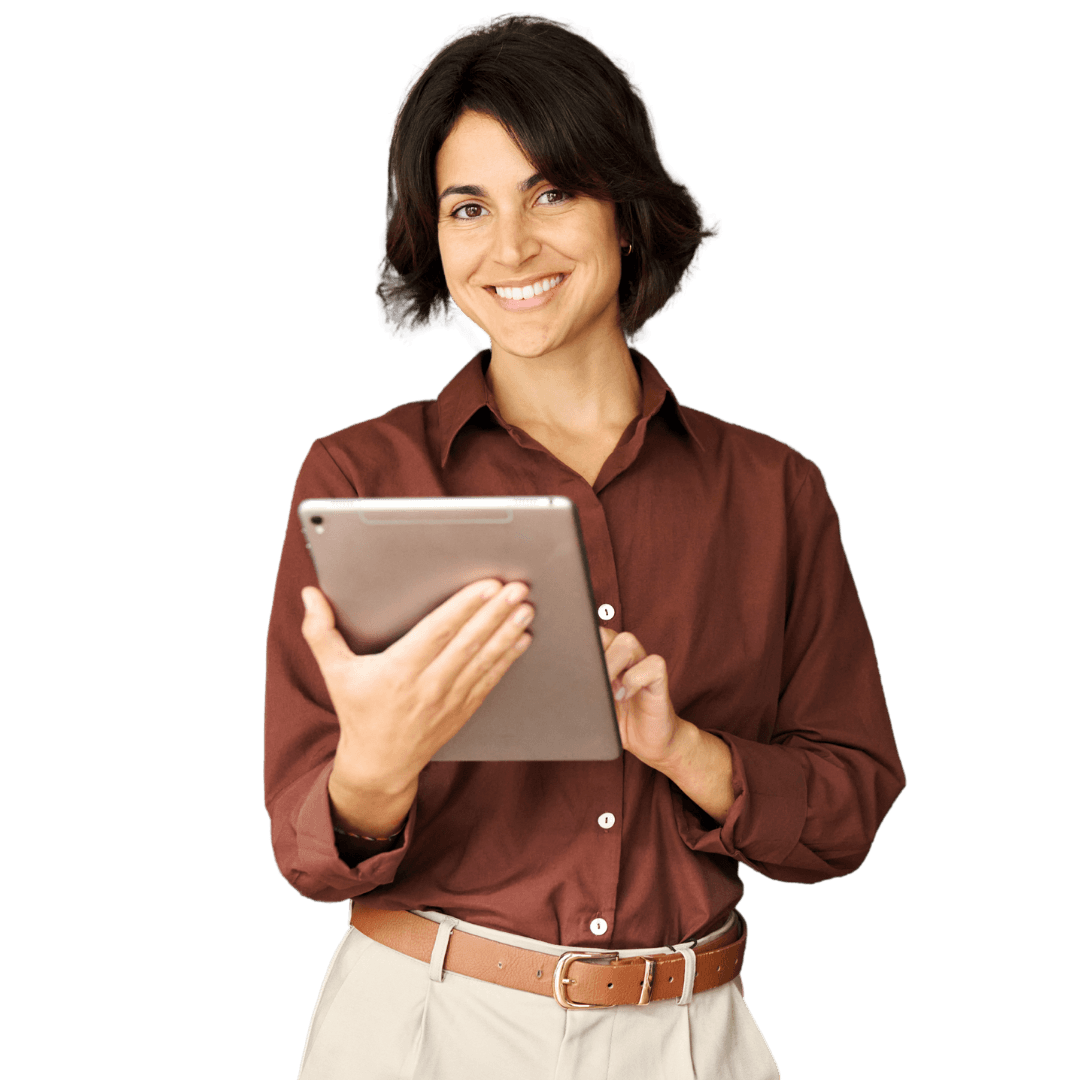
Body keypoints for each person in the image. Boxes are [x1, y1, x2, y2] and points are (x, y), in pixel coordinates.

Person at [264, 13, 906, 1079]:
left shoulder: (777, 490)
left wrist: (682, 749)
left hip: (695, 1033)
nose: (509, 248)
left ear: (628, 212)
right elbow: (308, 850)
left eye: (551, 192)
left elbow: (847, 812)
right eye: (468, 207)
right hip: (425, 1028)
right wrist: (374, 768)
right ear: (433, 236)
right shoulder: (358, 478)